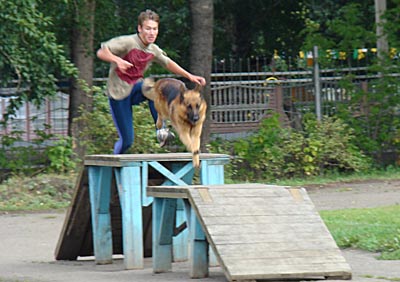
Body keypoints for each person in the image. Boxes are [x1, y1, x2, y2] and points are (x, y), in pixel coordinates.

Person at [96, 9, 206, 154]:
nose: (151, 33)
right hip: (118, 94)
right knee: (127, 141)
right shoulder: (128, 42)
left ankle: (161, 130)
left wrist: (189, 76)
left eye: (154, 29)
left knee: (154, 89)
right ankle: (114, 164)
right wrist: (118, 60)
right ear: (140, 28)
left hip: (136, 89)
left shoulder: (153, 49)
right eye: (148, 29)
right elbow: (101, 51)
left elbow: (168, 63)